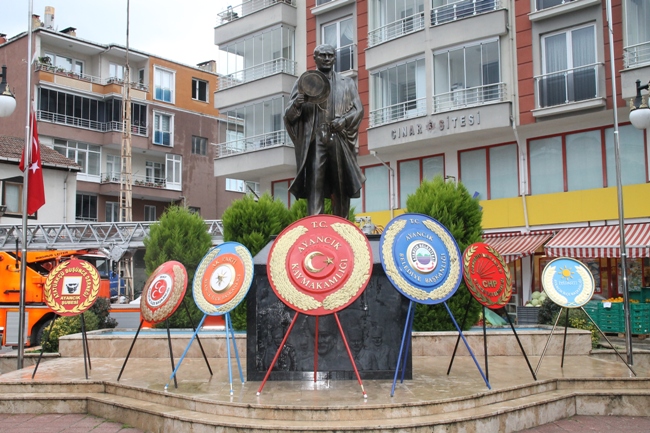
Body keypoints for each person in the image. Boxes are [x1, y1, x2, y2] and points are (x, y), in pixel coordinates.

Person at [284, 44, 365, 217]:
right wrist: (297, 103)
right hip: (316, 139)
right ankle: (315, 225)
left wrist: (344, 121)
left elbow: (359, 110)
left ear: (335, 58)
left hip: (338, 137)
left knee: (341, 185)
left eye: (330, 55)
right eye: (323, 55)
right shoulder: (305, 82)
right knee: (315, 184)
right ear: (315, 58)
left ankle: (342, 225)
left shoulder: (347, 83)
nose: (327, 58)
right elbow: (289, 116)